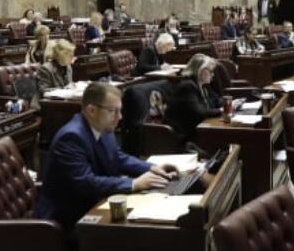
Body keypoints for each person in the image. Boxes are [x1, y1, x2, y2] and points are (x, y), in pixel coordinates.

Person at [34, 82, 179, 231]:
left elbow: (118, 157)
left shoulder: (101, 127)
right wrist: (133, 184)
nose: (120, 117)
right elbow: (86, 182)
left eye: (120, 111)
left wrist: (152, 168)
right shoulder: (71, 138)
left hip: (94, 204)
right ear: (91, 110)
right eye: (113, 111)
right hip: (67, 221)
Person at [166, 53, 222, 149]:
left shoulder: (202, 85)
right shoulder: (187, 86)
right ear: (201, 70)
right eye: (211, 71)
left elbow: (215, 101)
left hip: (199, 129)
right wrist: (222, 110)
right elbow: (199, 112)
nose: (213, 75)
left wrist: (228, 103)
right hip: (185, 137)